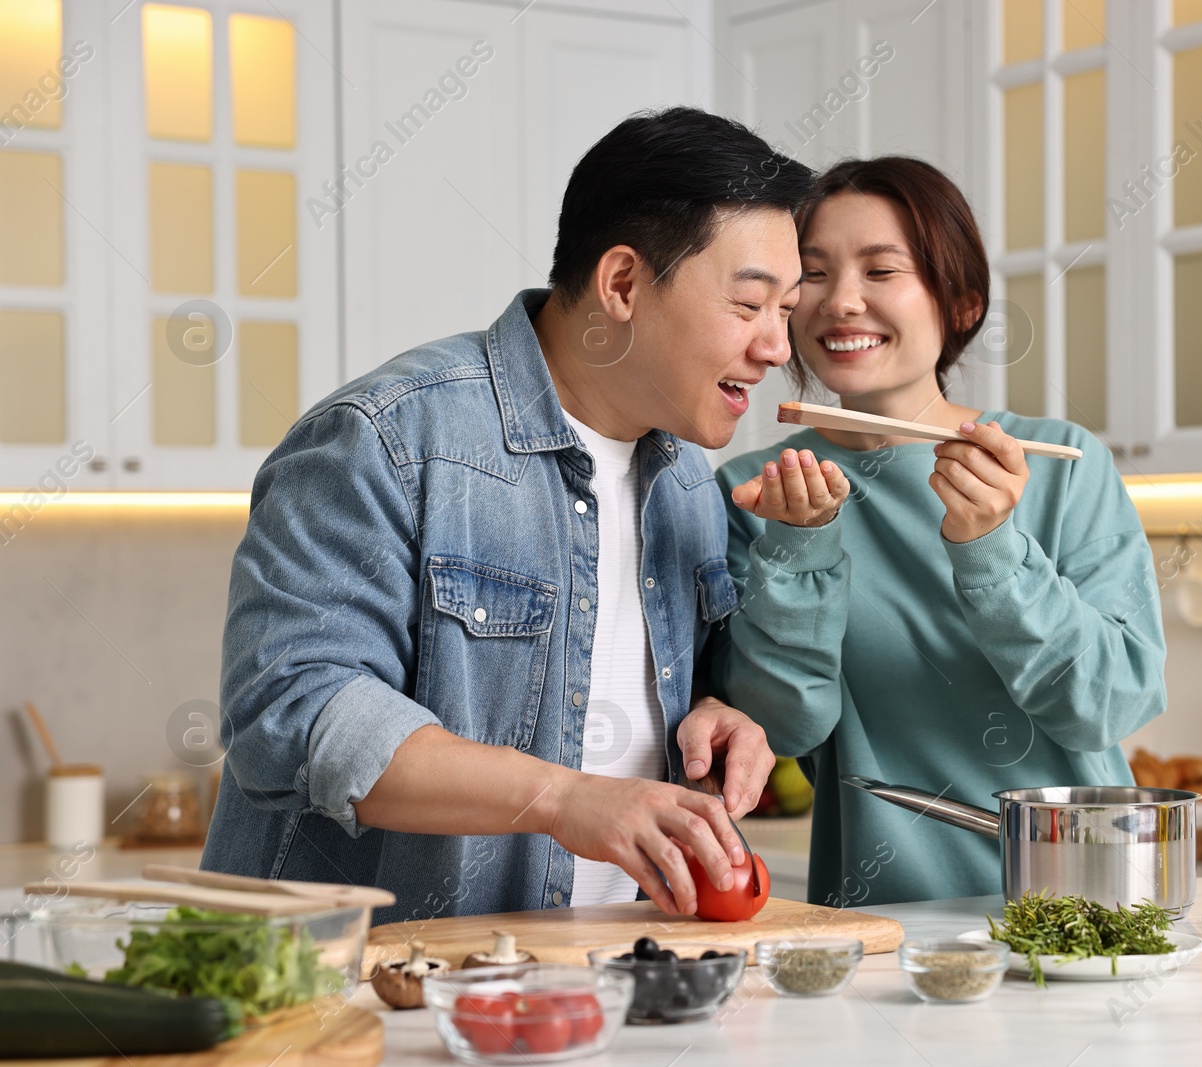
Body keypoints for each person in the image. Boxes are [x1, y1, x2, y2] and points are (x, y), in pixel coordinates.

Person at [203, 108, 812, 925]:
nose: (777, 346)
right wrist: (561, 798)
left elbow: (630, 711)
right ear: (622, 283)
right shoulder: (387, 438)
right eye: (751, 305)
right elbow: (295, 714)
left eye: (788, 310)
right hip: (355, 993)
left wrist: (714, 718)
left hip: (586, 984)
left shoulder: (687, 484)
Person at [712, 157, 1166, 906]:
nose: (842, 302)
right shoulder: (752, 493)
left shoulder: (1060, 465)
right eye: (814, 275)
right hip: (889, 921)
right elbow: (785, 726)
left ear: (960, 301)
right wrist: (797, 549)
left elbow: (1110, 703)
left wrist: (993, 551)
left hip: (1094, 905)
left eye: (881, 270)